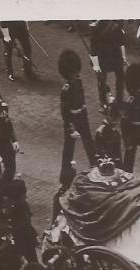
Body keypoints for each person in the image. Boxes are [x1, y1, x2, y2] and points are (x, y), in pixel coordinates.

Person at [58, 49, 97, 184]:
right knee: (69, 148)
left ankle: (96, 167)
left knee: (89, 143)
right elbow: (65, 112)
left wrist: (84, 111)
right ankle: (65, 175)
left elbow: (82, 98)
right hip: (72, 120)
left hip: (82, 115)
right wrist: (71, 129)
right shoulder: (66, 89)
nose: (76, 75)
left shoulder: (78, 81)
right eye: (74, 73)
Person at [89, 20, 127, 109]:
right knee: (101, 79)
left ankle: (119, 99)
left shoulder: (118, 23)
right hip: (102, 55)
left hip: (115, 54)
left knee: (121, 77)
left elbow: (121, 42)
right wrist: (96, 64)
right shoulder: (97, 25)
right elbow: (93, 46)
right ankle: (103, 101)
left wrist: (124, 56)